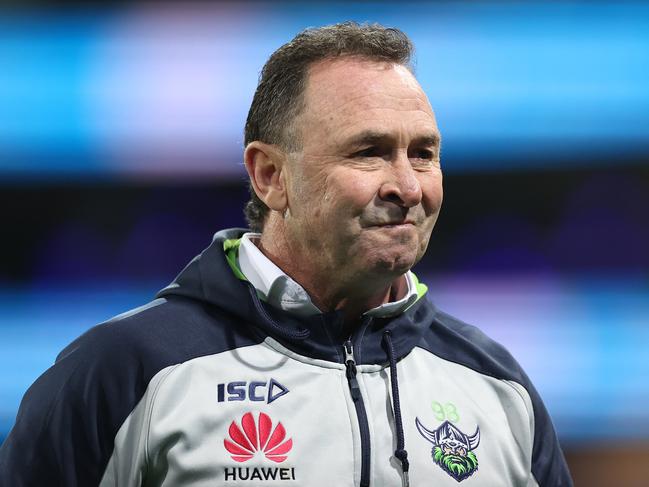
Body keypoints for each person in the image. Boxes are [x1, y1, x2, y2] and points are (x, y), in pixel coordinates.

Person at [0, 22, 572, 486]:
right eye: (369, 152)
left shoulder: (497, 386)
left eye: (422, 154)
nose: (408, 186)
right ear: (271, 176)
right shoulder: (127, 373)